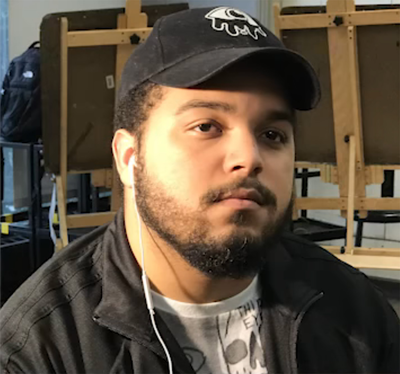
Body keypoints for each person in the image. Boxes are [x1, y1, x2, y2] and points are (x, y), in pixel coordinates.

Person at [1, 6, 399, 374]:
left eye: (272, 134)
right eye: (206, 126)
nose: (249, 156)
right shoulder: (40, 352)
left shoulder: (354, 311)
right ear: (129, 158)